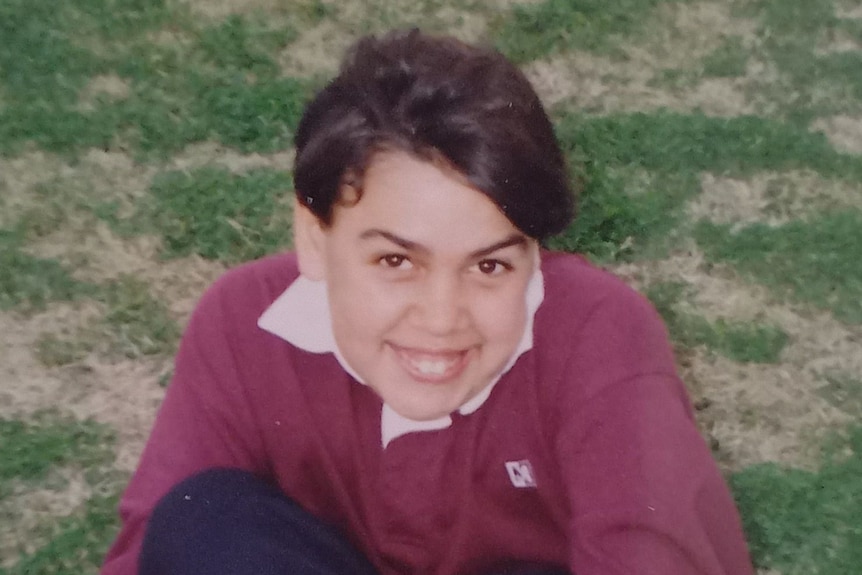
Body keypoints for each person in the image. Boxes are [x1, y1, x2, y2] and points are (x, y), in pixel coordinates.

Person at [101, 29, 754, 575]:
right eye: (395, 261)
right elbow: (151, 553)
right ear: (314, 237)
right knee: (201, 517)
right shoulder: (244, 320)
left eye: (491, 264)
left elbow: (658, 554)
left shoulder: (599, 329)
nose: (442, 318)